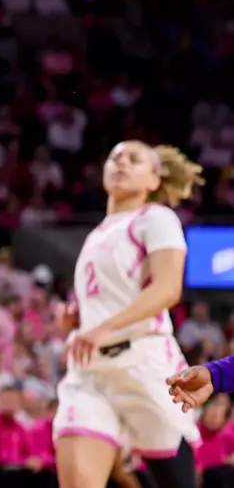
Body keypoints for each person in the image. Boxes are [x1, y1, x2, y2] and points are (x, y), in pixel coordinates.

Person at [53, 143, 201, 488]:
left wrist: (103, 326)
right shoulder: (97, 233)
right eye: (115, 157)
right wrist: (79, 320)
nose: (121, 162)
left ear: (154, 178)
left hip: (145, 364)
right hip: (90, 370)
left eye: (134, 159)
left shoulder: (156, 218)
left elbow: (167, 290)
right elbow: (111, 297)